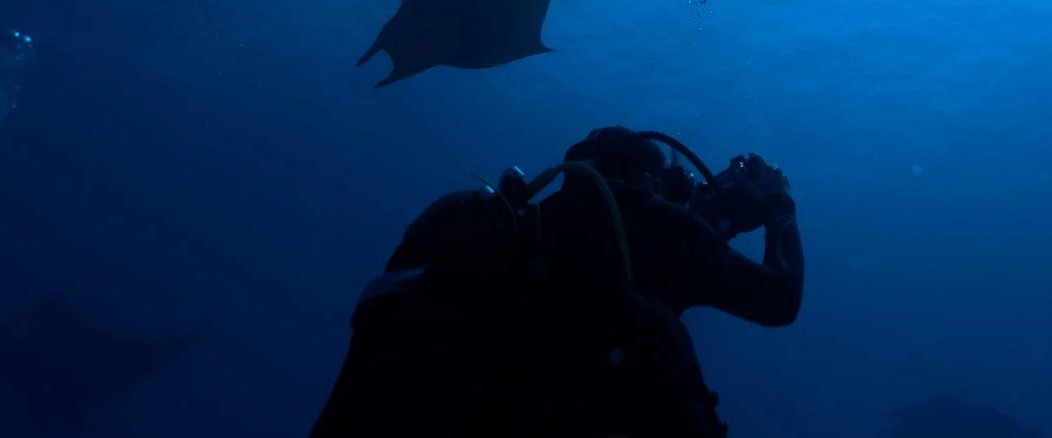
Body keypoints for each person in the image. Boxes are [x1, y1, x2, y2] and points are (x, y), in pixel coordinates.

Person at [309, 126, 804, 436]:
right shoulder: (651, 224)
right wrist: (780, 206)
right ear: (646, 182)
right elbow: (779, 300)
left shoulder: (516, 229)